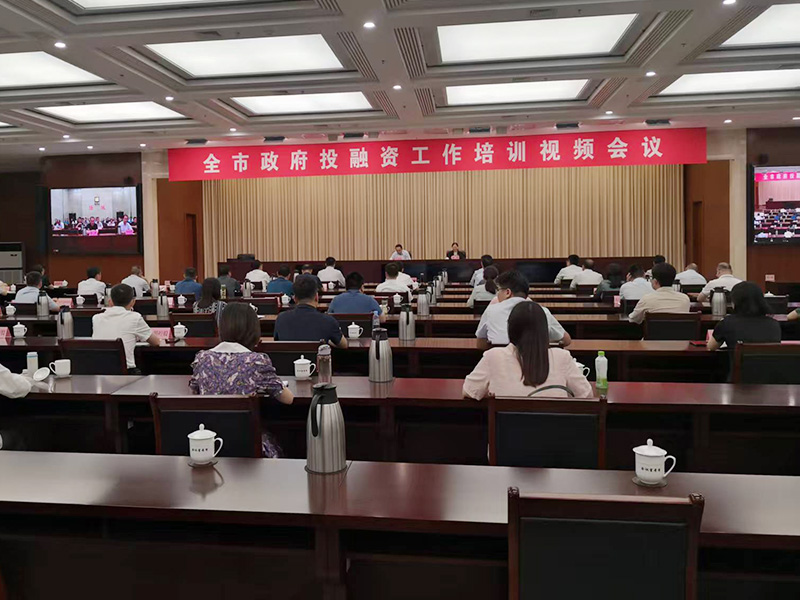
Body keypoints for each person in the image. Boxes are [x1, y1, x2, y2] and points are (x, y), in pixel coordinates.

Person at [189, 303, 293, 458]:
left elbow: (194, 391)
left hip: (210, 441)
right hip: (247, 442)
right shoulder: (256, 361)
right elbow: (288, 399)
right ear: (253, 330)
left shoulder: (202, 358)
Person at [464, 301, 592, 399]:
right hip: (555, 427)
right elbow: (586, 395)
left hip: (508, 427)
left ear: (510, 328)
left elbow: (469, 391)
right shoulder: (562, 357)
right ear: (544, 330)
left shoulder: (493, 356)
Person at [476, 270, 570, 346]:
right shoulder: (542, 311)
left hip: (500, 363)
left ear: (508, 292)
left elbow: (480, 344)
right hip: (534, 363)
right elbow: (566, 340)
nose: (497, 294)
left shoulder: (491, 310)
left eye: (498, 290)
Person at [92, 283, 160, 373]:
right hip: (125, 373)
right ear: (133, 302)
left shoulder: (96, 318)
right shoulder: (135, 317)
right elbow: (155, 342)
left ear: (110, 301)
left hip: (99, 372)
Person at [273, 275, 347, 348]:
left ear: (294, 299)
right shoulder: (328, 320)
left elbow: (277, 341)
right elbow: (344, 345)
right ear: (316, 297)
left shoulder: (281, 319)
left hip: (289, 356)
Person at [708, 282, 781, 352]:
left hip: (739, 361)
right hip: (768, 361)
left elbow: (711, 347)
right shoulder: (774, 324)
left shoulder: (726, 323)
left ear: (735, 302)